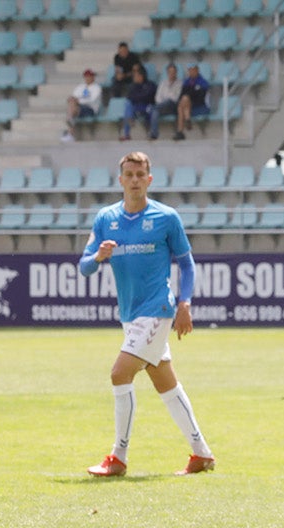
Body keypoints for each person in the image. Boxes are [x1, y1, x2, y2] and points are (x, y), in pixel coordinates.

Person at [80, 151, 216, 478]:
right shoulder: (105, 218)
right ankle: (202, 454)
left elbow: (186, 262)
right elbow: (84, 267)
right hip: (130, 314)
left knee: (119, 373)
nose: (135, 180)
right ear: (121, 179)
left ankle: (119, 457)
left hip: (159, 308)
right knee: (165, 383)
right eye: (130, 174)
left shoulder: (166, 217)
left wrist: (185, 303)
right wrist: (98, 256)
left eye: (141, 175)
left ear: (149, 180)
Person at [120, 65, 157, 141]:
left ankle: (152, 133)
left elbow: (148, 97)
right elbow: (130, 97)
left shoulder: (150, 85)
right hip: (137, 107)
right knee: (128, 105)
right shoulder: (133, 86)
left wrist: (138, 97)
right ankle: (127, 134)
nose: (134, 78)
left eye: (135, 76)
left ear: (141, 76)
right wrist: (139, 96)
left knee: (153, 111)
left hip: (147, 106)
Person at [67, 68, 102, 137]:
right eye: (87, 76)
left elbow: (92, 100)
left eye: (90, 76)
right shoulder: (80, 87)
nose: (88, 78)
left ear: (93, 77)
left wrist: (78, 100)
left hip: (90, 109)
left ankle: (70, 130)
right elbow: (74, 97)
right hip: (78, 107)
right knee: (72, 104)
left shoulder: (96, 88)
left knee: (72, 109)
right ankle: (70, 131)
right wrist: (72, 99)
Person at [176, 64, 210, 135]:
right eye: (190, 70)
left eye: (193, 70)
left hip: (201, 107)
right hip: (189, 108)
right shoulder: (186, 82)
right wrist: (192, 92)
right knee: (182, 104)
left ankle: (180, 131)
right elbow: (181, 95)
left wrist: (190, 94)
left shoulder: (203, 82)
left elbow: (200, 98)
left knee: (182, 104)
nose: (191, 72)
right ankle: (187, 120)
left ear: (197, 70)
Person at [154, 63, 183, 141]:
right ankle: (154, 134)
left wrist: (166, 99)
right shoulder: (163, 83)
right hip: (162, 106)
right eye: (170, 72)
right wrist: (162, 102)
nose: (172, 74)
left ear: (176, 72)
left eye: (173, 72)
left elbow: (175, 98)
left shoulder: (180, 83)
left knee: (157, 108)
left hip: (173, 106)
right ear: (167, 73)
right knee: (155, 112)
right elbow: (158, 97)